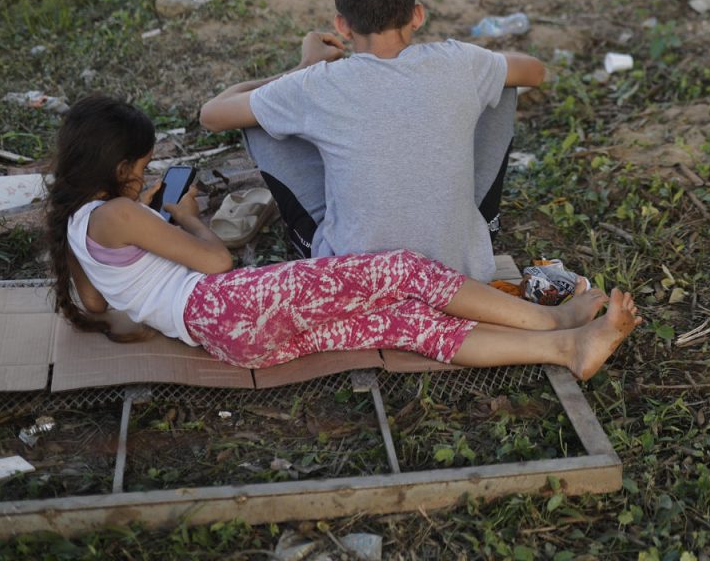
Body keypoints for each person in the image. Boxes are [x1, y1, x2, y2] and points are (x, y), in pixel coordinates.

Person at [46, 95, 639, 377]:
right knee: (402, 272)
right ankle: (555, 323)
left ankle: (566, 348)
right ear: (110, 166)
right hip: (228, 302)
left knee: (402, 322)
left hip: (230, 340)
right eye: (140, 168)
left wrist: (153, 260)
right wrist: (185, 215)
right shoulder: (118, 216)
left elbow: (100, 302)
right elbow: (217, 262)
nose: (145, 177)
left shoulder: (75, 227)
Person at [200, 0, 541, 280]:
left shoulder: (314, 83)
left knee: (260, 117)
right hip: (458, 270)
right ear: (417, 16)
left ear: (342, 26)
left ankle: (319, 246)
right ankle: (479, 229)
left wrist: (302, 68)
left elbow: (212, 115)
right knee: (502, 81)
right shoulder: (462, 62)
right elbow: (534, 71)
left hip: (354, 277)